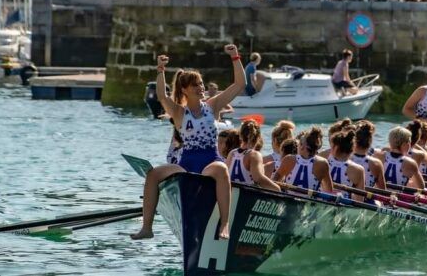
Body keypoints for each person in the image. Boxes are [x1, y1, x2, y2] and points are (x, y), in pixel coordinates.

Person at [130, 45, 245, 241]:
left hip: (210, 160)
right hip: (186, 163)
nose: (201, 88)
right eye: (195, 85)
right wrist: (160, 69)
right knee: (153, 174)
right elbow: (161, 96)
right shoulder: (179, 112)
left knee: (222, 170)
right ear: (184, 90)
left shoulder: (213, 105)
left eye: (201, 84)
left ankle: (225, 224)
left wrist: (235, 57)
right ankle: (147, 228)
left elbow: (240, 84)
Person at [273, 127, 333, 193]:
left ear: (302, 146)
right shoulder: (323, 163)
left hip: (289, 198)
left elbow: (274, 182)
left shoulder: (289, 159)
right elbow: (329, 190)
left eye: (298, 144)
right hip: (310, 199)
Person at [227, 120, 281, 191]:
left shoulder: (232, 153)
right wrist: (277, 188)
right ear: (258, 138)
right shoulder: (254, 155)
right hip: (246, 193)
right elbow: (258, 178)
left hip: (231, 191)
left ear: (240, 136)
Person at [328, 130, 365, 201]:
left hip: (321, 201)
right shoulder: (358, 169)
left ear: (335, 148)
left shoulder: (323, 162)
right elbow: (360, 199)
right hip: (344, 205)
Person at [351, 120, 386, 190]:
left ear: (354, 139)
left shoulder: (344, 158)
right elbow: (382, 190)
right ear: (370, 140)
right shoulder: (376, 163)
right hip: (366, 195)